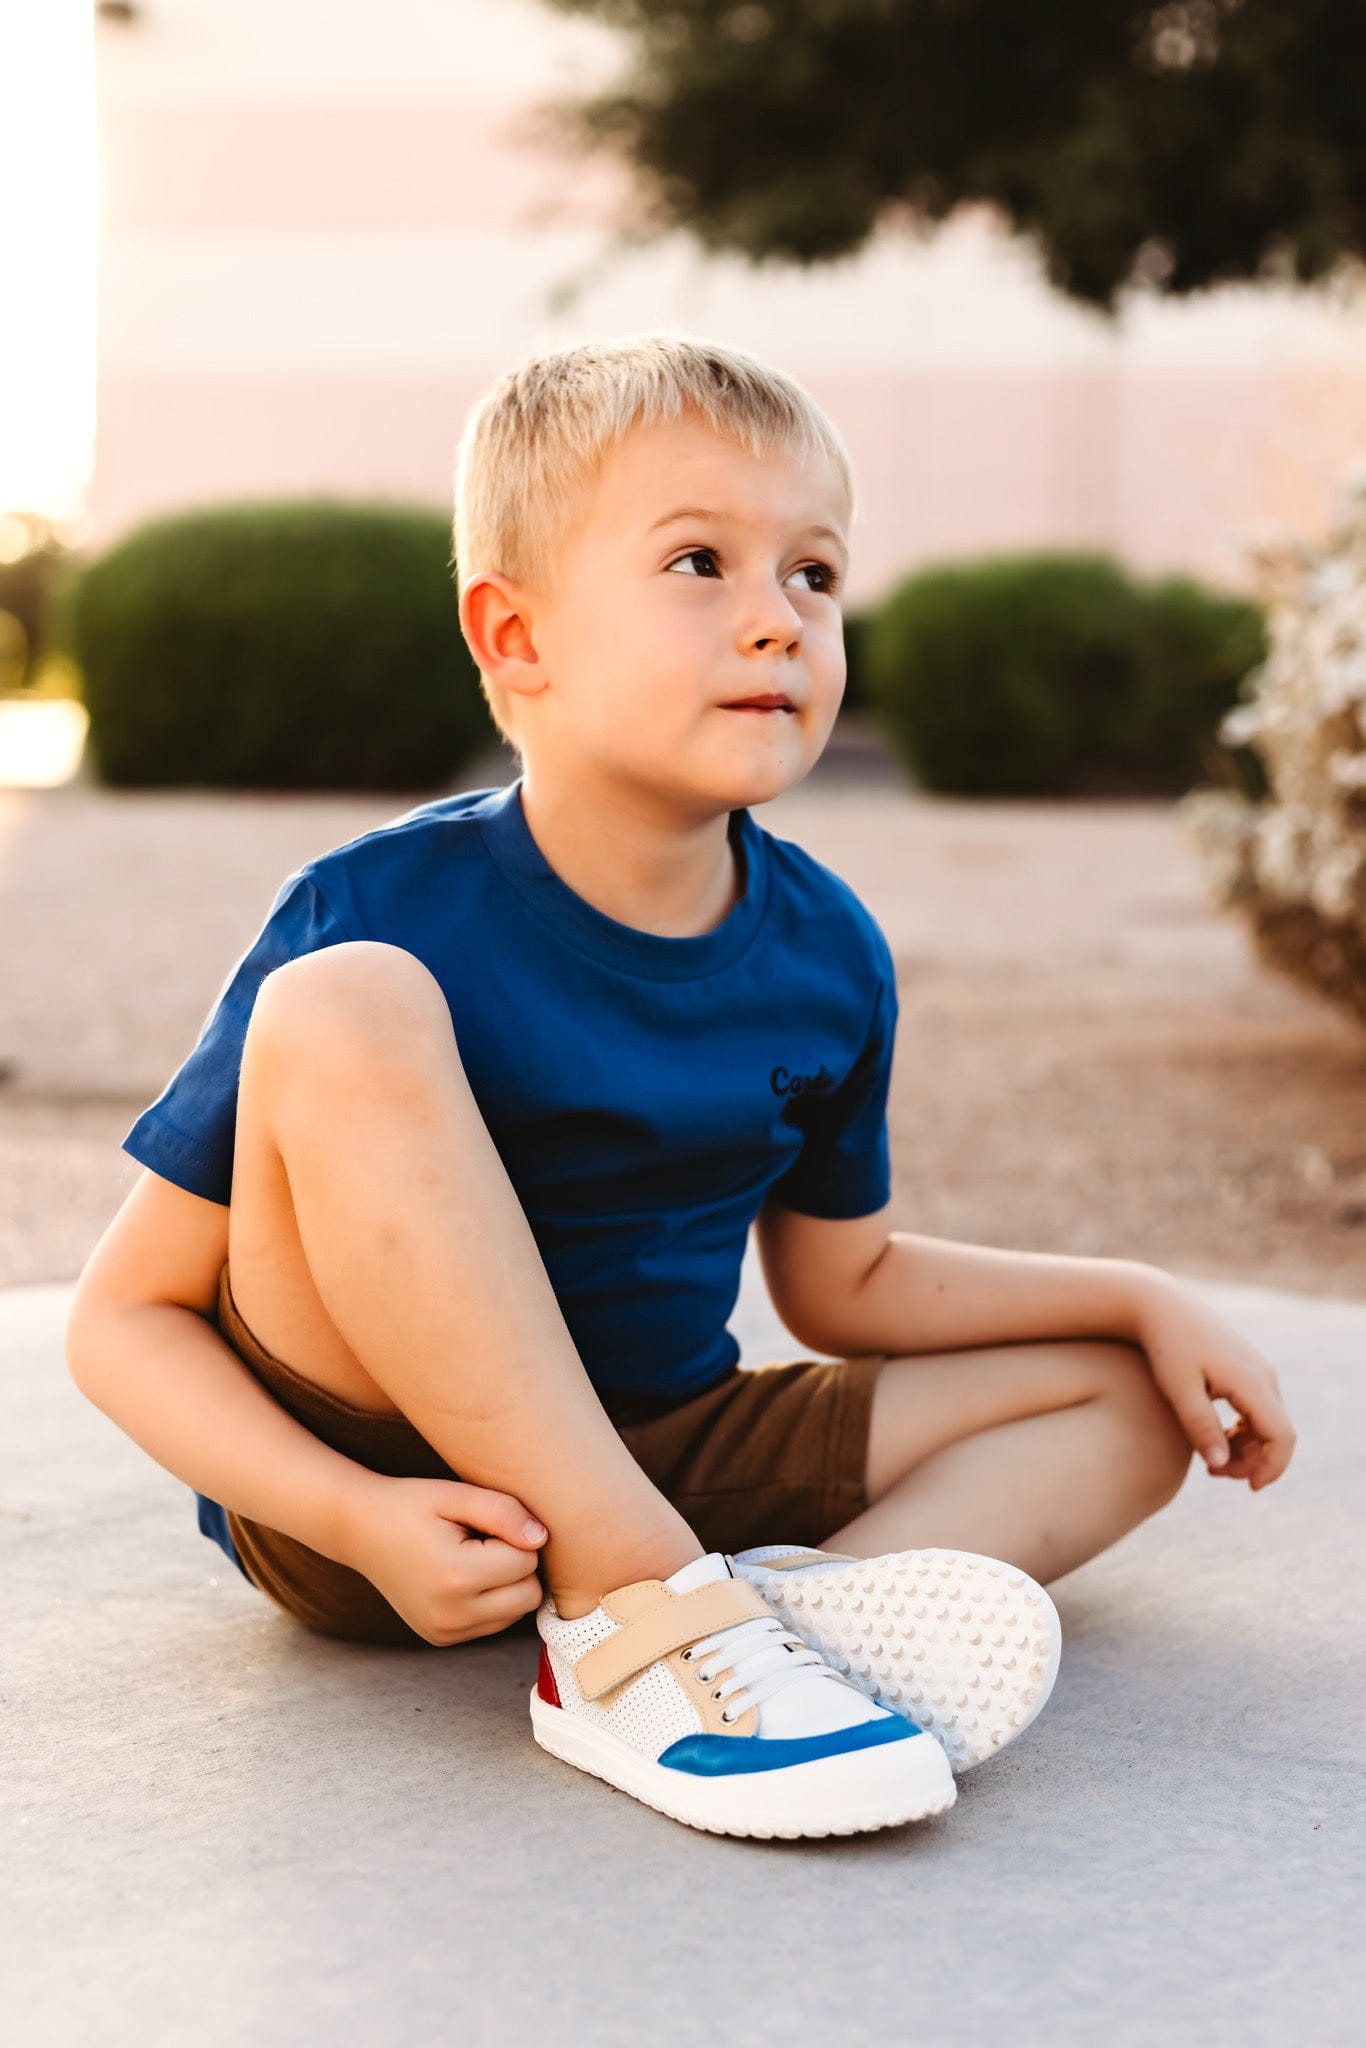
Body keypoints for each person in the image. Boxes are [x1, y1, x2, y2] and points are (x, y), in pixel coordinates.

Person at [65, 334, 1296, 1840]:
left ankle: (775, 1628)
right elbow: (125, 1321)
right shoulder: (376, 908)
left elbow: (850, 1284)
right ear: (517, 639)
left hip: (664, 1444)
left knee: (1124, 1404)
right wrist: (349, 1517)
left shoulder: (827, 950)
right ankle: (639, 1613)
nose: (777, 620)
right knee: (346, 1009)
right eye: (700, 563)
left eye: (816, 575)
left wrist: (1132, 1297)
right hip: (383, 1485)